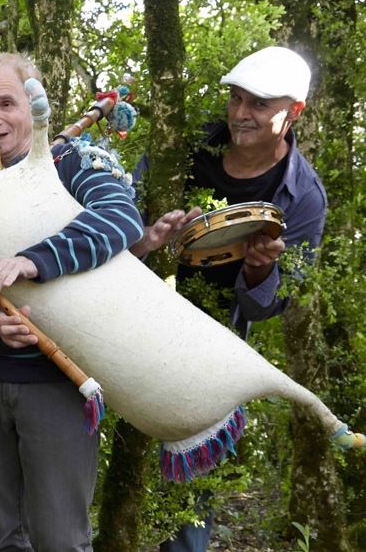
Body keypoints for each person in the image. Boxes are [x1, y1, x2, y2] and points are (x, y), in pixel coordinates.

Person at [0, 53, 144, 551]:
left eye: (6, 103)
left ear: (33, 103)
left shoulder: (74, 164)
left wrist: (32, 261)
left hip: (60, 379)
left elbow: (121, 219)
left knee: (60, 540)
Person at [129, 46, 327, 551]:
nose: (240, 114)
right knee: (111, 477)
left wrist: (261, 269)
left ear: (293, 113)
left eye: (259, 104)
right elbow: (114, 224)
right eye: (236, 99)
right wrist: (151, 235)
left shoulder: (302, 196)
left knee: (188, 500)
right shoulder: (185, 147)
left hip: (210, 352)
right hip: (127, 323)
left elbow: (271, 305)